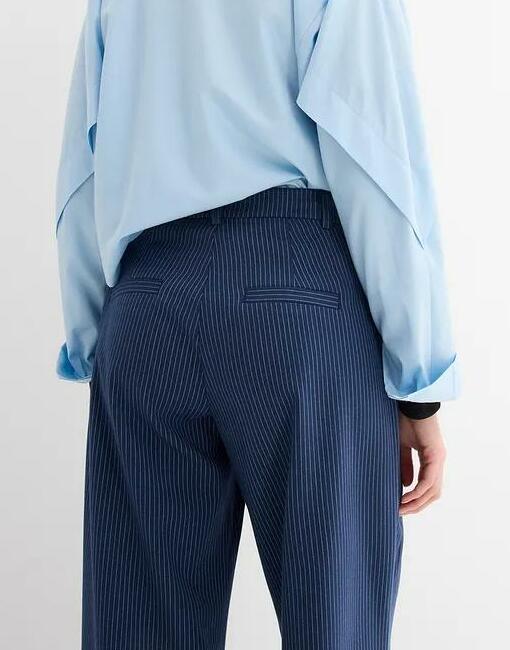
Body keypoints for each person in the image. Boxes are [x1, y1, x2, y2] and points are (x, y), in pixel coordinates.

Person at [55, 1, 459, 648]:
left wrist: (92, 337)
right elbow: (377, 164)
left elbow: (84, 166)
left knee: (138, 627)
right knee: (336, 625)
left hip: (147, 301)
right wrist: (419, 380)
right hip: (299, 300)